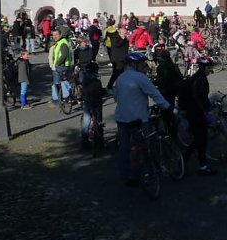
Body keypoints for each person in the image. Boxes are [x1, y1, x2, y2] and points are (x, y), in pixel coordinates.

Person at [114, 53, 172, 184]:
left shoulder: (121, 78)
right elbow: (154, 94)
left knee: (124, 148)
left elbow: (116, 97)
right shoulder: (140, 78)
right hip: (138, 118)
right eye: (141, 63)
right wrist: (167, 106)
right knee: (145, 146)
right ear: (134, 64)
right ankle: (143, 172)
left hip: (121, 117)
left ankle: (125, 176)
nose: (143, 65)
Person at [177, 56, 217, 175]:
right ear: (203, 67)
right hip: (195, 112)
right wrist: (205, 108)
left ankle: (189, 160)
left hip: (192, 111)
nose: (210, 70)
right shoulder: (200, 79)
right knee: (201, 139)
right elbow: (197, 97)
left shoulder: (196, 77)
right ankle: (200, 164)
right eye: (209, 67)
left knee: (199, 139)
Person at [81, 61, 104, 150]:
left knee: (86, 123)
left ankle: (84, 142)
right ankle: (100, 142)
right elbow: (100, 92)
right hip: (97, 102)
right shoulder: (97, 81)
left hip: (87, 102)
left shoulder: (84, 79)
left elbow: (83, 91)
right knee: (99, 122)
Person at [50, 26, 74, 105]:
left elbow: (64, 54)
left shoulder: (63, 42)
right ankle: (64, 98)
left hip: (62, 66)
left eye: (56, 35)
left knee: (58, 83)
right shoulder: (60, 42)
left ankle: (59, 100)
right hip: (61, 65)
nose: (54, 37)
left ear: (60, 35)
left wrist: (57, 63)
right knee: (62, 83)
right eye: (53, 35)